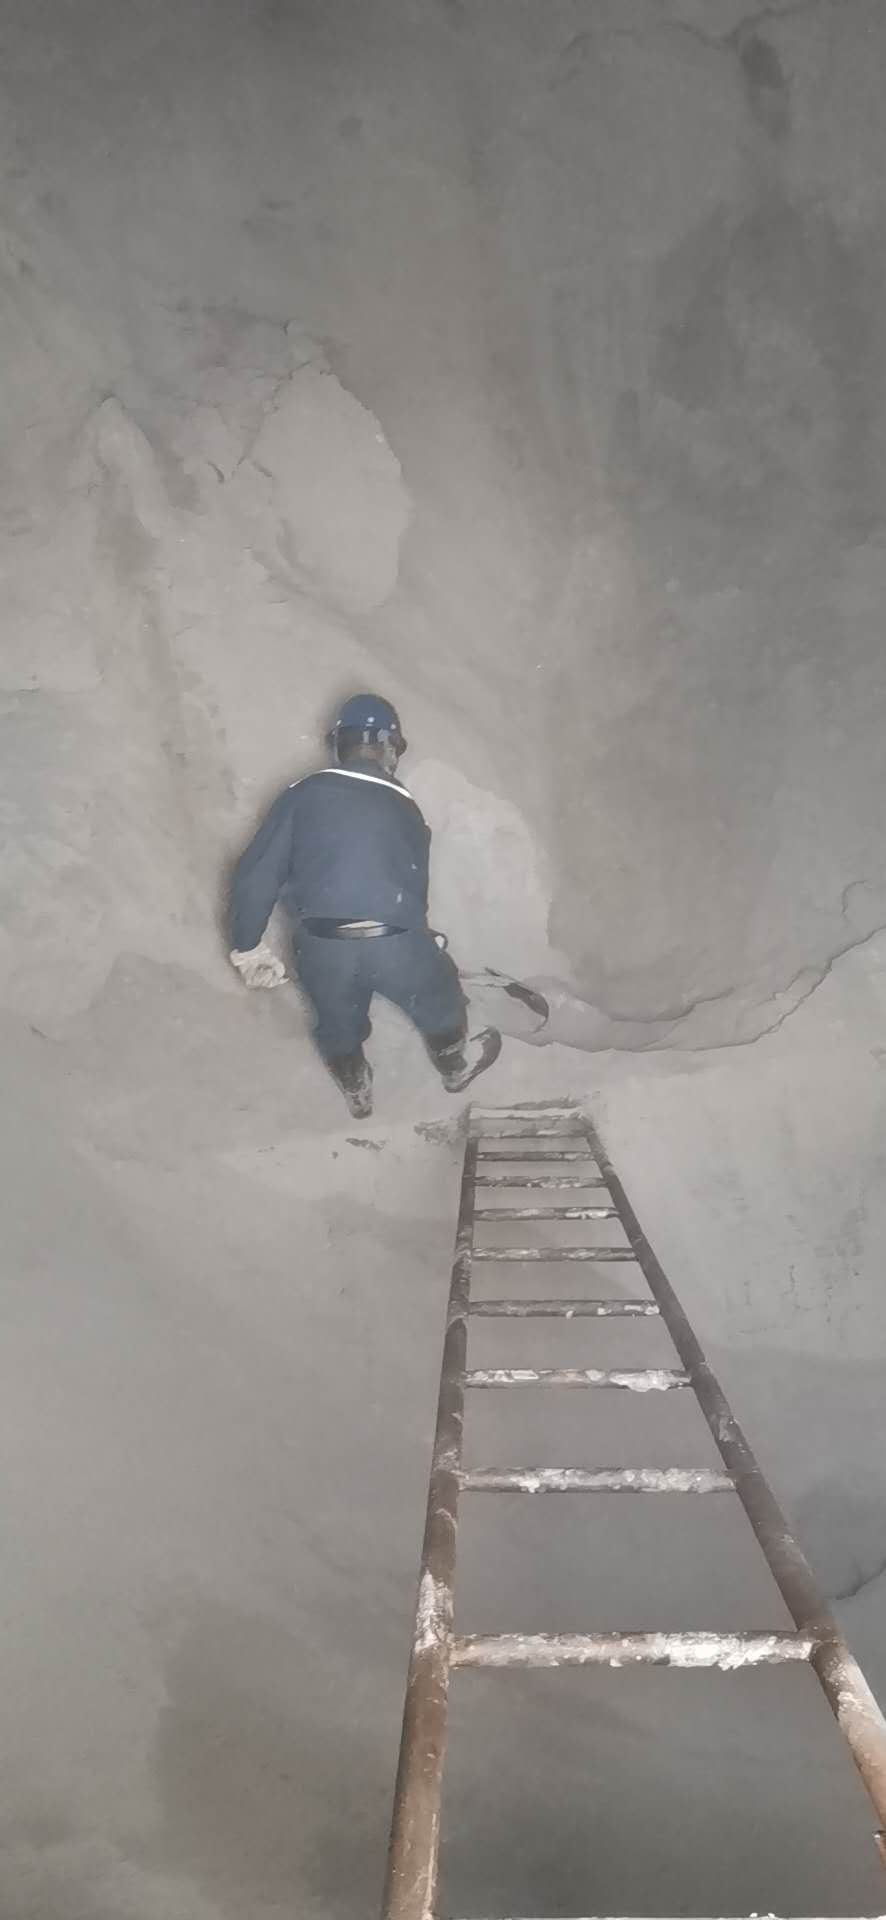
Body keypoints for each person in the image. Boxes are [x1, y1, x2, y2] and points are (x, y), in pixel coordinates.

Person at [228, 694, 501, 1117]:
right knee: (439, 999)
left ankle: (356, 1088)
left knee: (337, 1023)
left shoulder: (302, 794)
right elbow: (410, 887)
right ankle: (453, 1067)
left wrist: (247, 946)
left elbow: (256, 874)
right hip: (397, 945)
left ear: (341, 742)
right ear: (389, 746)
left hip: (322, 947)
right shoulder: (408, 809)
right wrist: (424, 939)